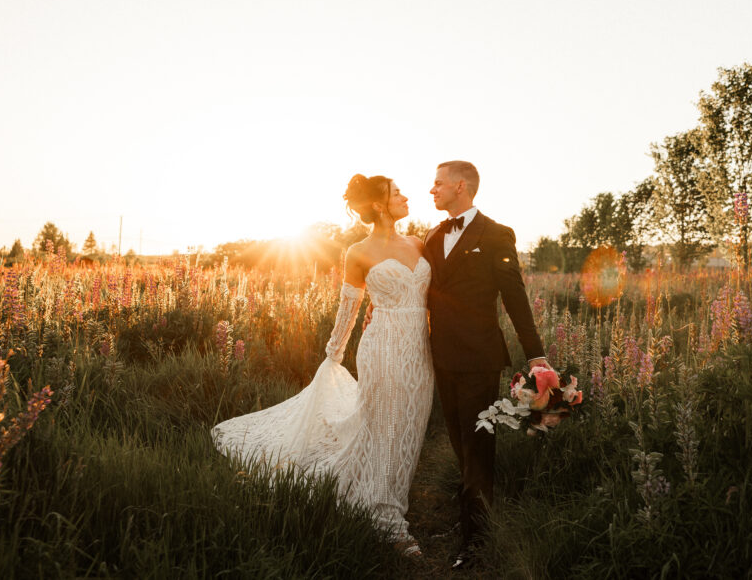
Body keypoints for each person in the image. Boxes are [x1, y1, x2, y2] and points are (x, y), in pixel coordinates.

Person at [211, 174, 434, 557]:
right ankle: (388, 522)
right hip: (382, 348)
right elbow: (349, 307)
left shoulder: (419, 243)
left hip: (421, 351)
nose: (405, 196)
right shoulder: (358, 252)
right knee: (387, 427)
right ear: (380, 204)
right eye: (397, 192)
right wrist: (335, 352)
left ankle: (382, 491)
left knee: (410, 429)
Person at [424, 160, 548, 570]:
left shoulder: (496, 235)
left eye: (438, 184)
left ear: (461, 186)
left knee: (478, 445)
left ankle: (476, 542)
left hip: (478, 357)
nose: (432, 190)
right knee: (460, 441)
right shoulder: (433, 236)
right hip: (440, 356)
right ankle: (469, 521)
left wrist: (536, 354)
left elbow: (515, 297)